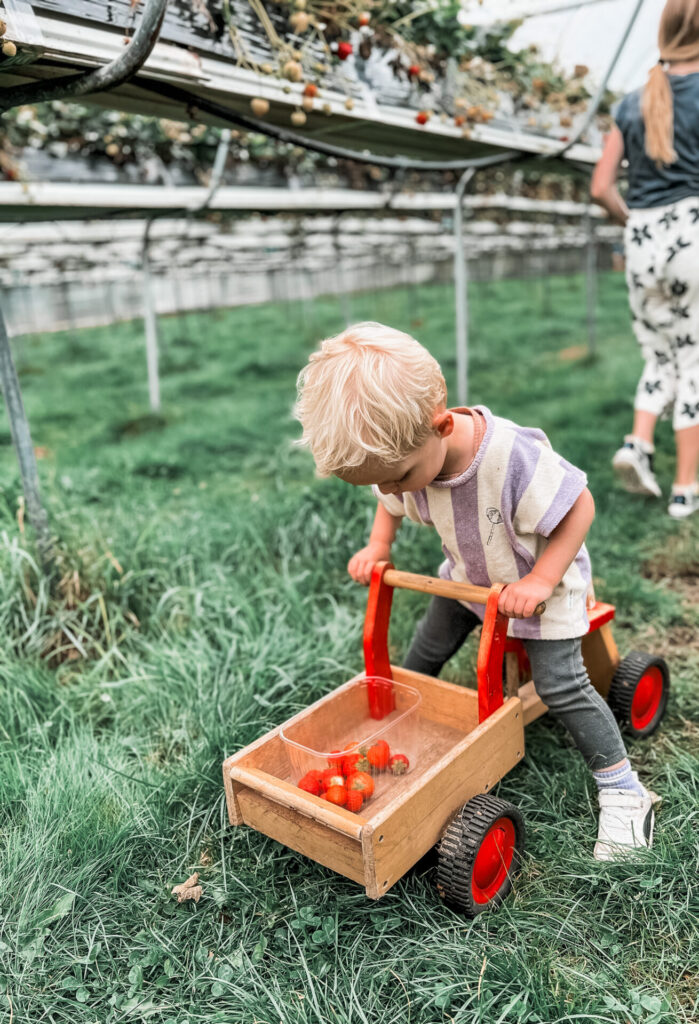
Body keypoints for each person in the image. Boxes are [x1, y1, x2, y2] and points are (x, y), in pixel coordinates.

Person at [295, 322, 657, 860]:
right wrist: (378, 544)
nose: (392, 492)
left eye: (397, 478)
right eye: (382, 484)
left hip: (542, 588)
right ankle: (400, 736)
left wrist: (539, 580)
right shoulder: (407, 455)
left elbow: (579, 506)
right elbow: (388, 498)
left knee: (561, 686)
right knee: (422, 654)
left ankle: (624, 789)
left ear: (441, 426)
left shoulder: (509, 457)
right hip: (470, 580)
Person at [590, 0, 699, 518]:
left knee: (660, 355)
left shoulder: (632, 101)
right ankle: (684, 490)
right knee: (695, 359)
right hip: (691, 235)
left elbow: (601, 187)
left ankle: (637, 443)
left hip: (643, 238)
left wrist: (634, 223)